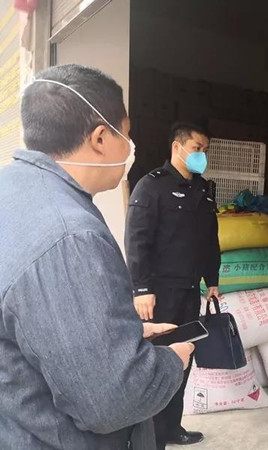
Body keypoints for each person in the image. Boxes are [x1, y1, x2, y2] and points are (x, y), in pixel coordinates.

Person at [0, 64, 195, 450]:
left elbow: (39, 321)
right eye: (128, 134)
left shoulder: (14, 191)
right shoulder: (70, 238)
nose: (131, 147)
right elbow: (111, 401)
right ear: (102, 138)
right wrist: (172, 361)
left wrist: (117, 333)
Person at [125, 122, 220, 448]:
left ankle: (172, 427)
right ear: (177, 147)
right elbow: (137, 240)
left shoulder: (203, 189)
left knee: (184, 358)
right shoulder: (151, 186)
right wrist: (141, 288)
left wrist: (213, 280)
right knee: (157, 363)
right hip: (159, 294)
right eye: (196, 148)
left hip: (189, 291)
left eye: (205, 150)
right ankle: (152, 437)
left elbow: (209, 240)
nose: (201, 155)